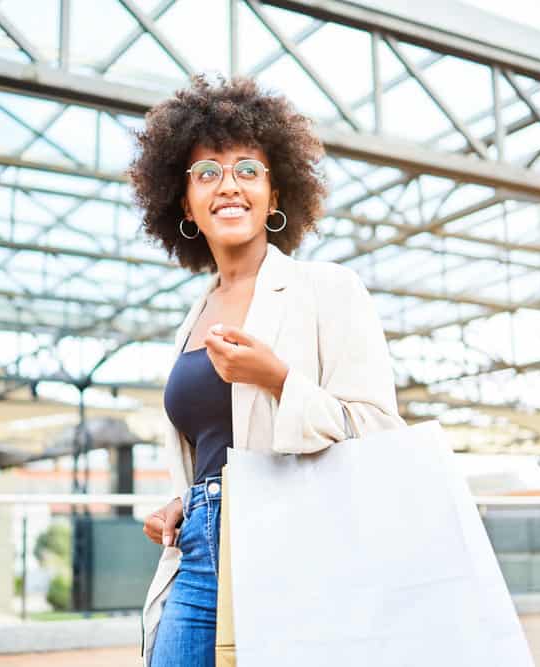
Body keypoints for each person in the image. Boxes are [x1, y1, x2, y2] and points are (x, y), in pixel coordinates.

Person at [130, 75, 404, 667]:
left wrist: (278, 379)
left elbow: (380, 430)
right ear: (184, 203)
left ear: (276, 196)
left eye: (247, 170)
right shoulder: (193, 315)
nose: (228, 186)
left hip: (291, 543)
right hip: (200, 548)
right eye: (207, 173)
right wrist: (186, 500)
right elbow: (211, 445)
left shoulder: (326, 289)